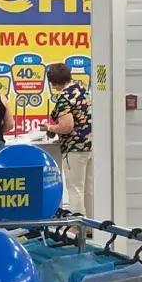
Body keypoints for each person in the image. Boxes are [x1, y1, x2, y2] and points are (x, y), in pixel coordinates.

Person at [44, 63, 94, 215]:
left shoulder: (65, 98)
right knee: (89, 189)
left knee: (75, 188)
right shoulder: (83, 91)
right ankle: (92, 222)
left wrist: (49, 128)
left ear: (54, 83)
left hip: (74, 148)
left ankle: (76, 223)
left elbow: (67, 126)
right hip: (90, 145)